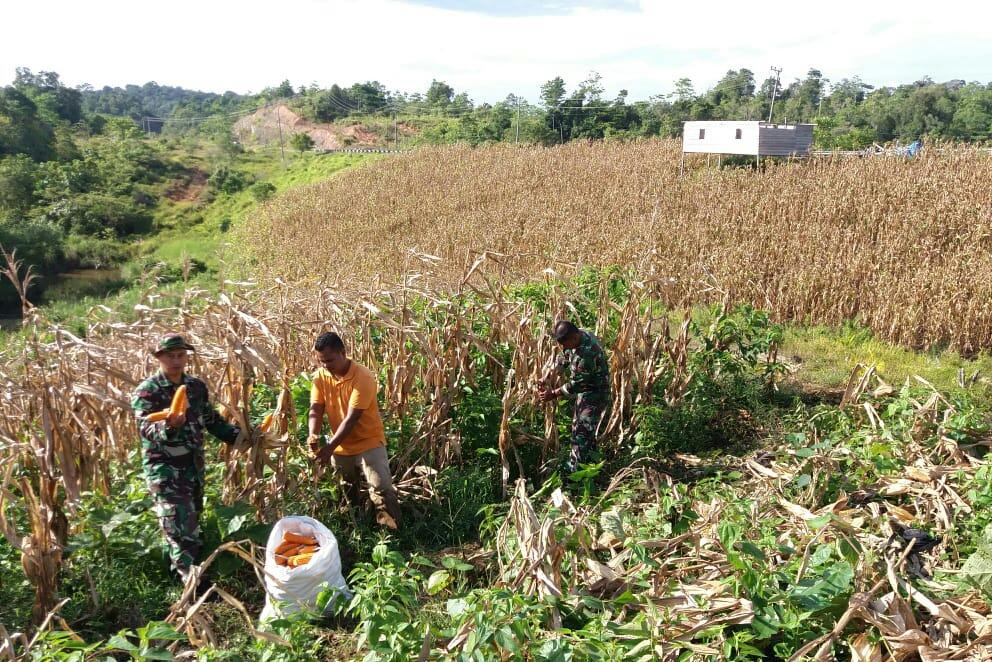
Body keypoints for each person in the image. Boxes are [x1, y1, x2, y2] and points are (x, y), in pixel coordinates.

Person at [131, 333, 244, 580]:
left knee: (187, 521)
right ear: (159, 358)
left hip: (192, 465)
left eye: (181, 355)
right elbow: (146, 428)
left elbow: (211, 421)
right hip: (165, 468)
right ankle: (190, 583)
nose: (176, 361)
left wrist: (241, 437)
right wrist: (170, 426)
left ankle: (175, 572)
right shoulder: (147, 392)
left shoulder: (195, 388)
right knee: (179, 522)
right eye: (170, 356)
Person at [307, 331, 401, 529]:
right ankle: (356, 528)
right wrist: (313, 435)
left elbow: (351, 419)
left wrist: (329, 448)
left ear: (343, 352)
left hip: (368, 442)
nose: (325, 365)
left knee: (381, 488)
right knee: (347, 490)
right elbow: (316, 409)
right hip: (341, 446)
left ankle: (392, 533)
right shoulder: (321, 377)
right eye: (321, 361)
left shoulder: (363, 377)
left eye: (329, 360)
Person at [538, 321, 611, 473]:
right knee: (582, 428)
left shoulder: (587, 354)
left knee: (581, 432)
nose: (564, 347)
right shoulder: (578, 336)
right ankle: (591, 465)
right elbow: (563, 357)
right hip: (585, 392)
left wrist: (552, 394)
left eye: (566, 344)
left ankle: (575, 472)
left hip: (595, 394)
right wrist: (548, 374)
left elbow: (576, 385)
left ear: (574, 337)